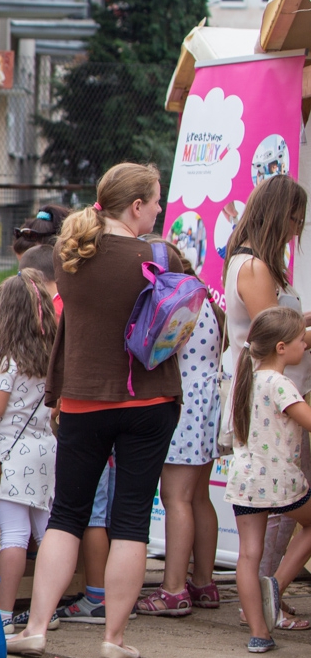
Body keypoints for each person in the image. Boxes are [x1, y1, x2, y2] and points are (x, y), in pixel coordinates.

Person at [8, 163, 180, 658]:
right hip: (149, 398)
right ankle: (114, 639)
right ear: (137, 206)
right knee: (131, 519)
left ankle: (36, 628)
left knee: (67, 514)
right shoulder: (160, 255)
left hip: (83, 398)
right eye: (156, 200)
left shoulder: (71, 253)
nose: (160, 209)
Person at [221, 175, 311, 609]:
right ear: (281, 216)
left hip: (271, 398)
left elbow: (279, 326)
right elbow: (275, 335)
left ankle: (264, 602)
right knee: (282, 502)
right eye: (296, 220)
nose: (297, 230)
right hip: (271, 406)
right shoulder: (255, 267)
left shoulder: (254, 262)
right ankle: (266, 597)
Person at [0, 271, 58, 631]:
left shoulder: (7, 358)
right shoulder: (51, 353)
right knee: (47, 534)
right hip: (44, 450)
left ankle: (3, 616)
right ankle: (44, 613)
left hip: (10, 455)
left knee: (14, 536)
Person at [140, 241, 223, 618]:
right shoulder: (201, 296)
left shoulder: (173, 298)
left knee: (176, 498)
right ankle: (203, 582)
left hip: (183, 404)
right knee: (198, 497)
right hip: (205, 402)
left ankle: (173, 589)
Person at [225, 307, 311, 653]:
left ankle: (259, 633)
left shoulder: (246, 380)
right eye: (301, 341)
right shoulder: (281, 384)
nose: (305, 346)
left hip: (244, 481)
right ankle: (277, 584)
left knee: (248, 555)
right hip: (278, 481)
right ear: (281, 347)